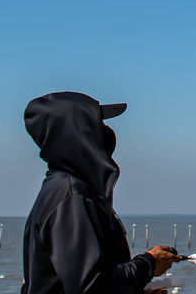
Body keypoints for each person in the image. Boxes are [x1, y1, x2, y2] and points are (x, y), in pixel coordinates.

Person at [21, 92, 181, 294]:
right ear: (79, 134)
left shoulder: (62, 189)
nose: (106, 132)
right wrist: (148, 264)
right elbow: (92, 286)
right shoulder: (71, 196)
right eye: (98, 124)